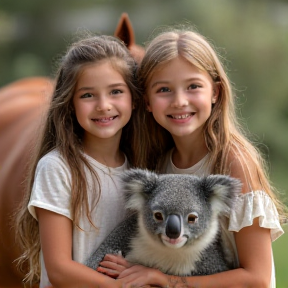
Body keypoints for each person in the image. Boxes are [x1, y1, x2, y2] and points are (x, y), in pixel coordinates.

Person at [98, 27, 287, 288]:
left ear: (215, 93)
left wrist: (163, 279)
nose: (179, 101)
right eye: (164, 89)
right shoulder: (159, 162)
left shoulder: (234, 161)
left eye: (193, 86)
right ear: (146, 101)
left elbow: (257, 279)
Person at [15, 34, 145, 288]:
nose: (103, 105)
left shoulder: (140, 170)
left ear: (135, 98)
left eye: (116, 91)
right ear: (70, 104)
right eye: (87, 95)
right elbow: (59, 270)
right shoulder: (58, 168)